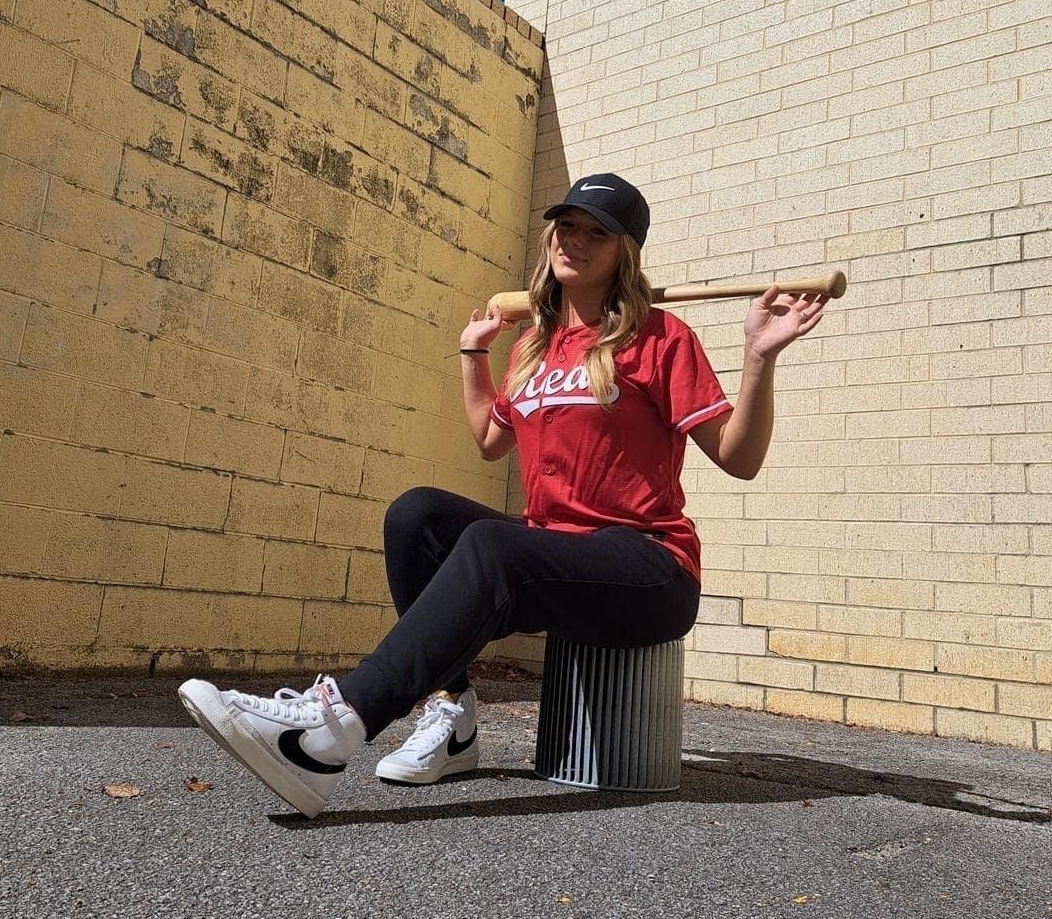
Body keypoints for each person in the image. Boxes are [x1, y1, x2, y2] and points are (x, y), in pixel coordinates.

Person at [178, 172, 830, 818]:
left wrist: (757, 356)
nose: (572, 239)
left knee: (491, 543)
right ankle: (451, 714)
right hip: (556, 556)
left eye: (594, 233)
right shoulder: (534, 346)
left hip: (647, 567)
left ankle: (330, 728)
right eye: (565, 225)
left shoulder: (659, 337)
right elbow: (492, 439)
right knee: (418, 515)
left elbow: (738, 458)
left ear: (622, 251)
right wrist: (472, 353)